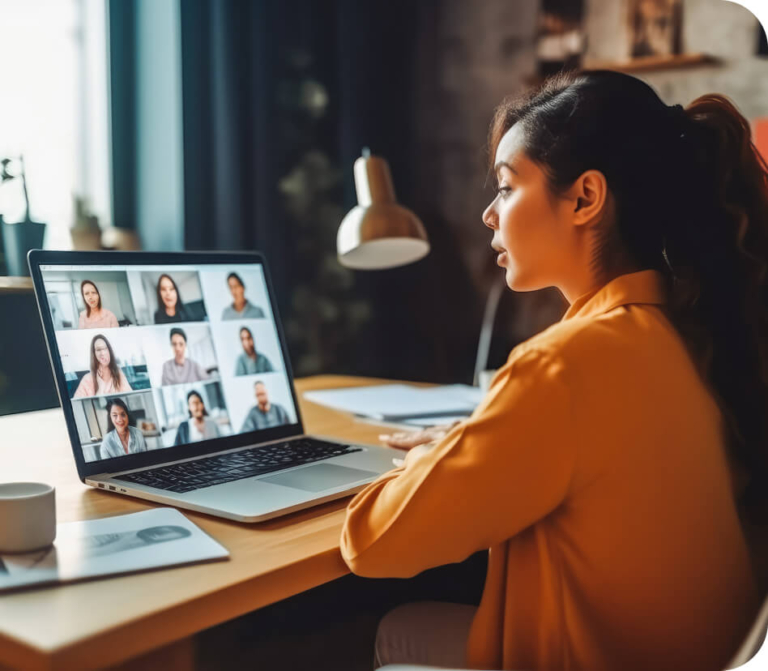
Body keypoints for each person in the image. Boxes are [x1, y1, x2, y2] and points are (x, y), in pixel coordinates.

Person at [341, 70, 768, 671]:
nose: (490, 214)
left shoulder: (559, 366)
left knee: (392, 631)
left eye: (508, 187)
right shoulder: (684, 336)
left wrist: (429, 459)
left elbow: (371, 542)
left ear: (586, 198)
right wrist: (478, 445)